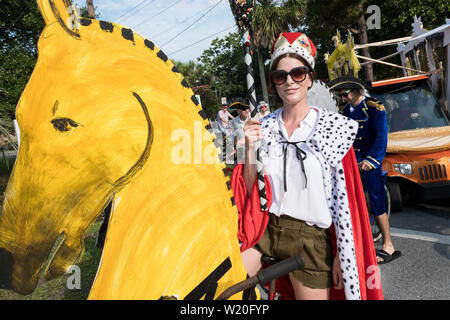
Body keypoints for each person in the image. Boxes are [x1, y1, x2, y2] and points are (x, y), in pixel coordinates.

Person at [231, 32, 383, 300]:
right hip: (265, 231)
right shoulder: (262, 127)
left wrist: (341, 254)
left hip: (310, 239)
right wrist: (250, 147)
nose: (289, 81)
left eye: (298, 73)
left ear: (310, 78)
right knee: (222, 287)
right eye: (281, 76)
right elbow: (250, 188)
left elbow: (345, 203)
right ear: (274, 83)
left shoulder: (334, 128)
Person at [328, 75, 401, 265]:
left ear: (356, 91)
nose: (343, 98)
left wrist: (372, 160)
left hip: (370, 163)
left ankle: (388, 244)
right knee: (354, 205)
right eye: (341, 96)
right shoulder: (345, 111)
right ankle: (362, 244)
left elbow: (381, 137)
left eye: (345, 94)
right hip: (352, 165)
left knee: (376, 202)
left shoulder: (375, 107)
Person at [230, 100, 251, 164]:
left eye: (248, 108)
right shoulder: (234, 122)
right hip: (242, 149)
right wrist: (234, 148)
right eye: (244, 109)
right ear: (238, 111)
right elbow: (233, 136)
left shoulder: (253, 117)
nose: (247, 110)